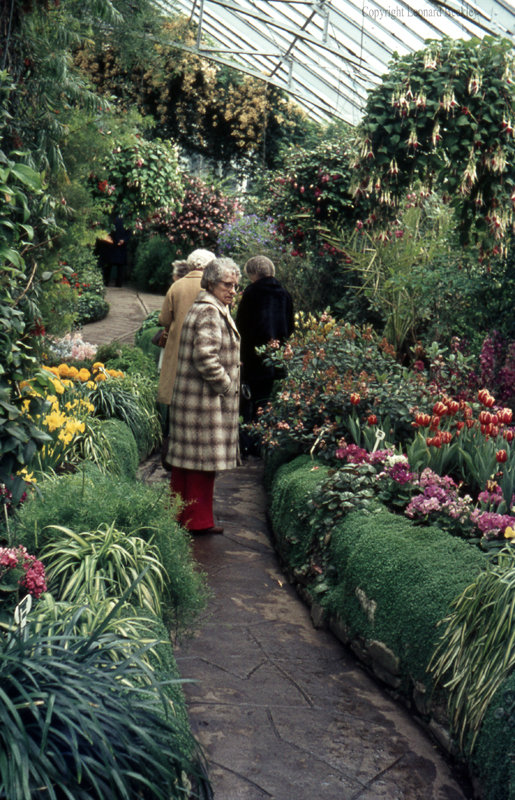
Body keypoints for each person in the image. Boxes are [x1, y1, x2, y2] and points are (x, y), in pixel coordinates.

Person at [166, 257, 241, 535]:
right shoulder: (210, 310)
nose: (233, 290)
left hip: (194, 400)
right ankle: (197, 522)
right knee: (201, 464)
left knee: (187, 464)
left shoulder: (206, 306)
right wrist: (227, 385)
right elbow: (206, 357)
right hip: (204, 401)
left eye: (235, 285)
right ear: (210, 282)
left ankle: (179, 516)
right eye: (227, 284)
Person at [235, 255, 294, 421]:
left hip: (252, 357)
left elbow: (241, 325)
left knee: (249, 401)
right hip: (275, 356)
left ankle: (248, 431)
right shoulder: (284, 294)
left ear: (253, 274)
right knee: (266, 400)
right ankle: (263, 429)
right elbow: (290, 325)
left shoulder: (251, 292)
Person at [156, 249, 216, 406]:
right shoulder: (213, 287)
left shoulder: (177, 286)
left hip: (178, 344)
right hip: (205, 344)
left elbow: (164, 319)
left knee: (175, 387)